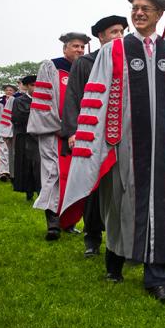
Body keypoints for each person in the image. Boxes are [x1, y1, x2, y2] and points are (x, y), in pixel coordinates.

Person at [61, 0, 165, 305]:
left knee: (162, 210)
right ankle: (114, 265)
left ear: (159, 14)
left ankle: (157, 279)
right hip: (123, 146)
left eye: (146, 8)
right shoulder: (114, 51)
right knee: (120, 205)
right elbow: (97, 98)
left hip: (162, 150)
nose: (139, 12)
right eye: (135, 7)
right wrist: (102, 142)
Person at [62, 15, 128, 257]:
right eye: (113, 32)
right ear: (100, 37)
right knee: (93, 185)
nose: (119, 36)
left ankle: (118, 237)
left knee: (120, 188)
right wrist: (73, 132)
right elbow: (73, 98)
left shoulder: (130, 61)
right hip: (93, 135)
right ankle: (92, 237)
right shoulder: (86, 63)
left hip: (120, 136)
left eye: (122, 31)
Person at [28, 32, 89, 240]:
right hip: (53, 133)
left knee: (75, 178)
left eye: (82, 47)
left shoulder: (87, 69)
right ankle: (53, 224)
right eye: (75, 46)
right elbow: (44, 101)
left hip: (80, 133)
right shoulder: (52, 67)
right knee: (53, 176)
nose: (79, 50)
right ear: (65, 48)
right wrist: (59, 127)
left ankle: (69, 221)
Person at [12, 75, 41, 200]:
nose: (35, 88)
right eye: (33, 85)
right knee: (26, 166)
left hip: (39, 137)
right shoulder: (19, 101)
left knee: (39, 165)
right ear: (28, 86)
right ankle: (28, 192)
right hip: (24, 137)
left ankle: (41, 191)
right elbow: (17, 118)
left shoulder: (43, 100)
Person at [0, 84, 18, 182]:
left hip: (13, 129)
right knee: (3, 151)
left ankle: (12, 172)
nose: (8, 91)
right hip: (1, 129)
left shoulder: (17, 101)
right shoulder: (0, 103)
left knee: (12, 152)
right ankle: (4, 172)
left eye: (11, 90)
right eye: (7, 90)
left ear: (14, 92)